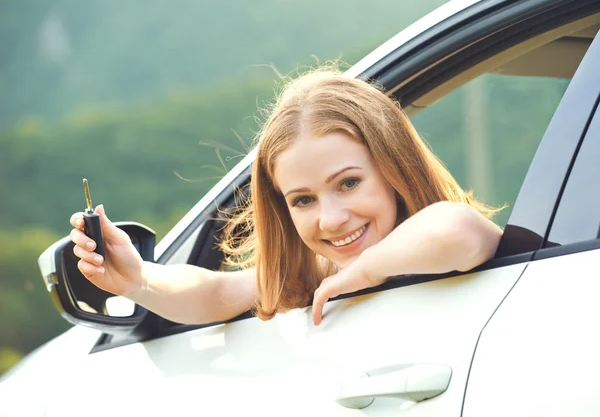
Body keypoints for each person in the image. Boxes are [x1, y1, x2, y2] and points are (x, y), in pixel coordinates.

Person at [69, 67, 503, 326]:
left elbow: (463, 231)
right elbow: (217, 293)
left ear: (396, 170)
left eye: (349, 183)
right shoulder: (316, 270)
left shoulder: (436, 242)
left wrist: (366, 271)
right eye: (302, 200)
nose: (331, 220)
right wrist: (140, 279)